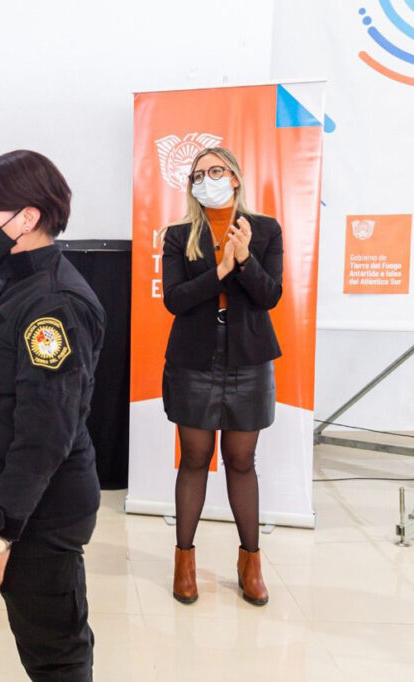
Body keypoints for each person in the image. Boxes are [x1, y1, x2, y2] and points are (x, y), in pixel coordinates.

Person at [0, 150, 105, 682]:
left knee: (55, 656)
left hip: (39, 513)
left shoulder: (52, 305)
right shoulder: (10, 280)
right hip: (20, 503)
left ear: (26, 219)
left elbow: (45, 434)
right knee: (43, 642)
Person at [161, 146, 283, 607]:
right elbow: (175, 300)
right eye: (198, 175)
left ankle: (251, 563)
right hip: (194, 359)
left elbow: (269, 296)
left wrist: (245, 258)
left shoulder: (265, 229)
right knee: (194, 457)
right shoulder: (178, 235)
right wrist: (221, 270)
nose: (206, 180)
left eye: (215, 171)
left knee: (241, 459)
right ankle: (184, 562)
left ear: (234, 177)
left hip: (248, 358)